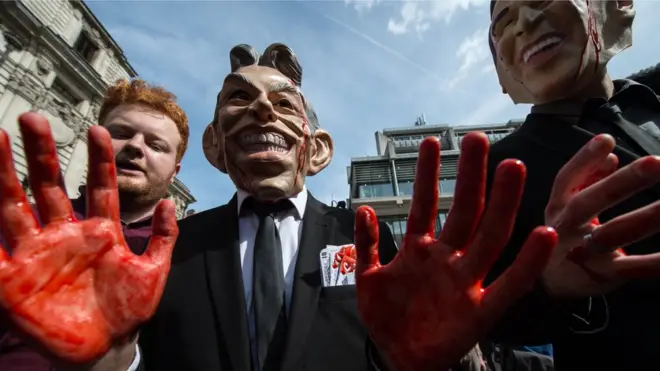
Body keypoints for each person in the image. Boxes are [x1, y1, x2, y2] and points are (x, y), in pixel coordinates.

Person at [0, 42, 560, 371]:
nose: (262, 108)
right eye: (239, 98)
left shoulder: (367, 238)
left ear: (316, 149)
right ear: (216, 147)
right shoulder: (167, 251)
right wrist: (112, 356)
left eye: (283, 101)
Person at [485, 0, 660, 369]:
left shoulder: (652, 97)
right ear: (502, 68)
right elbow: (491, 317)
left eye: (542, 1)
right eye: (504, 22)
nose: (525, 23)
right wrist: (549, 284)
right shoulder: (502, 168)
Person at [0, 78, 189, 371]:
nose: (136, 147)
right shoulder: (20, 228)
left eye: (156, 145)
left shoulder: (190, 254)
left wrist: (118, 355)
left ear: (175, 171)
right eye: (121, 133)